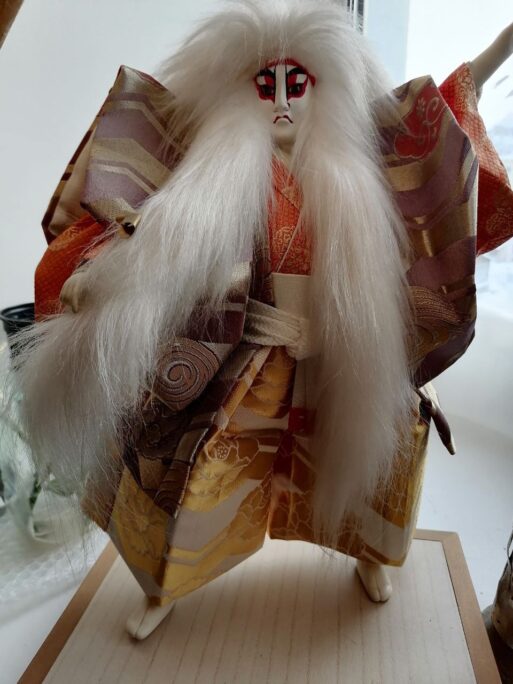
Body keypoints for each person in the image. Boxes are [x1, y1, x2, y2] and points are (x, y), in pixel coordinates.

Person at [15, 1, 513, 639]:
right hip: (246, 353)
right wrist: (99, 281)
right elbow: (141, 230)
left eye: (296, 84)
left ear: (326, 91)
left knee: (381, 453)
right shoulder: (208, 176)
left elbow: (434, 120)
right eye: (264, 85)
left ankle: (372, 553)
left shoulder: (365, 170)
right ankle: (167, 583)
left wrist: (498, 50)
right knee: (195, 472)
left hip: (342, 354)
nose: (280, 101)